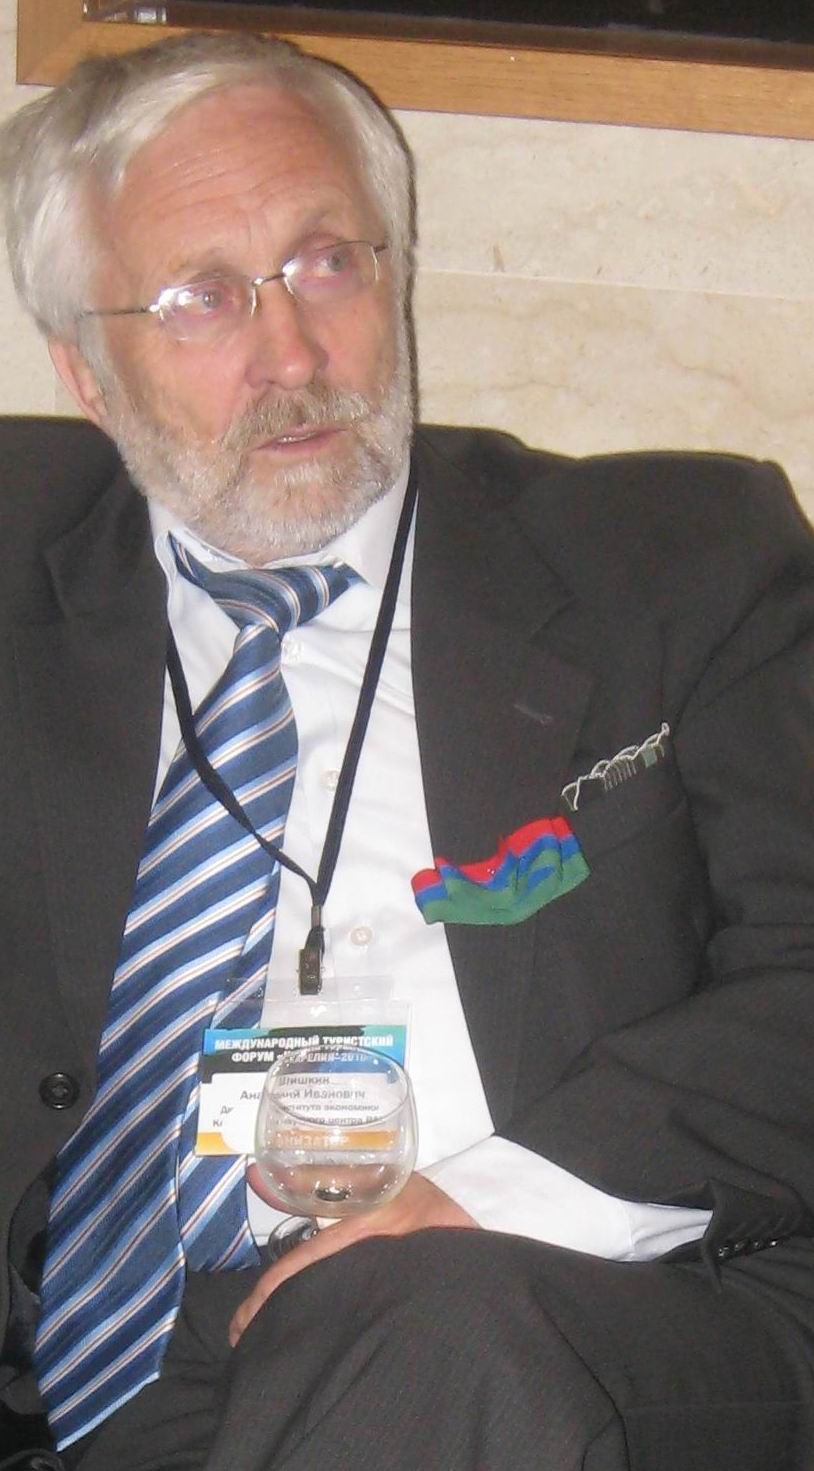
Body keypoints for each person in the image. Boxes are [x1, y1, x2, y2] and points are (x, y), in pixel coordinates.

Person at [0, 28, 813, 1471]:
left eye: (327, 263)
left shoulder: (678, 562)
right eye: (201, 299)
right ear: (86, 371)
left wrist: (487, 1200)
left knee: (432, 1328)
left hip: (579, 1303)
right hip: (118, 1349)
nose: (293, 356)